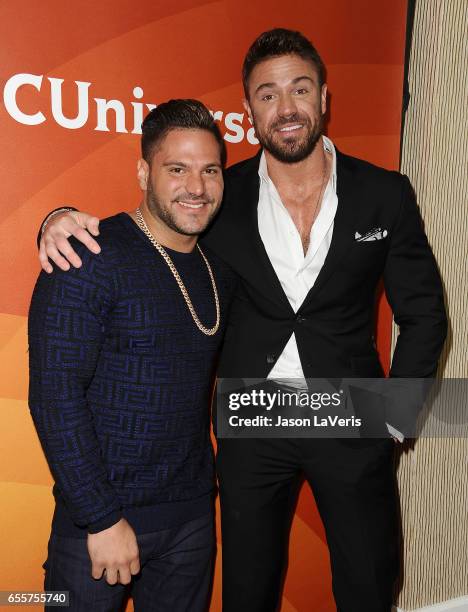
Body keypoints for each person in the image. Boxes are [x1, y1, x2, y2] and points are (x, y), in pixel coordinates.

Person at [37, 29, 447, 612]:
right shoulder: (221, 200)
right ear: (250, 110)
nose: (286, 108)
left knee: (370, 581)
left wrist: (396, 415)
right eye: (267, 94)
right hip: (251, 427)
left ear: (323, 97)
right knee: (248, 590)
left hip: (353, 417)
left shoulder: (385, 194)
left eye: (299, 89)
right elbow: (155, 224)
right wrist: (54, 219)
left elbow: (425, 313)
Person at [29, 99, 236, 612]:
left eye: (210, 170)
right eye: (177, 169)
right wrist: (101, 518)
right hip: (97, 526)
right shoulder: (87, 258)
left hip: (190, 519)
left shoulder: (221, 273)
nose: (196, 187)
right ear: (144, 171)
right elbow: (55, 398)